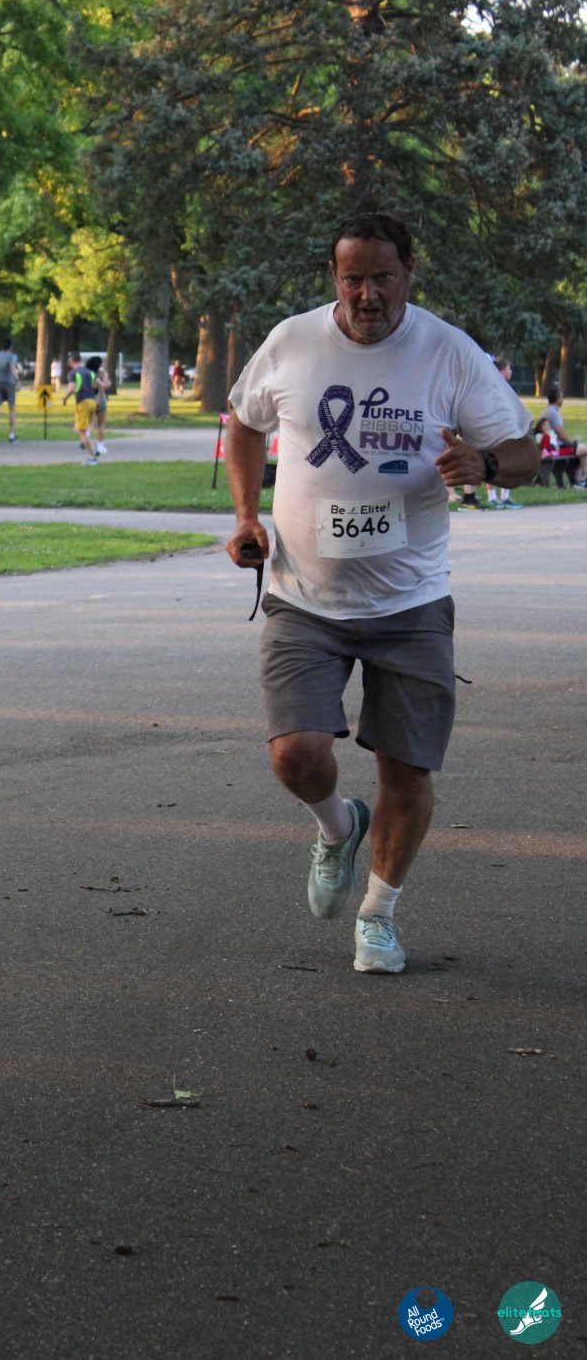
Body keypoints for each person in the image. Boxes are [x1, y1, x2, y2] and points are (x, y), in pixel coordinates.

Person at [226, 211, 539, 974]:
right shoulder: (293, 342)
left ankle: (378, 915)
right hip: (303, 596)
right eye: (353, 279)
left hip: (411, 603)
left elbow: (524, 451)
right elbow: (245, 423)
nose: (368, 295)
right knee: (296, 755)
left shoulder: (448, 352)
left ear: (409, 275)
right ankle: (338, 826)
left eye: (383, 278)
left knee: (407, 769)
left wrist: (485, 466)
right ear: (335, 278)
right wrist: (245, 517)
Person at [484, 358, 524, 507]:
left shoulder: (506, 388)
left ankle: (505, 496)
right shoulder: (491, 386)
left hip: (507, 428)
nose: (510, 371)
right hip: (494, 428)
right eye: (508, 368)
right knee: (492, 460)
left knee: (508, 461)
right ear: (501, 371)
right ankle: (492, 497)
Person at [540, 384, 587, 487]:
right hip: (557, 447)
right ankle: (580, 480)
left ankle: (580, 479)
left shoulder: (547, 411)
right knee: (585, 449)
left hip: (553, 445)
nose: (563, 399)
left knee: (583, 452)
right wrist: (572, 443)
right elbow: (561, 435)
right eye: (562, 397)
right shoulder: (553, 413)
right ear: (558, 399)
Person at [61, 351, 99, 463]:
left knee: (81, 431)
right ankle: (90, 446)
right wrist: (99, 399)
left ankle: (92, 457)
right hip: (92, 401)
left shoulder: (72, 373)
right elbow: (99, 385)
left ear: (71, 361)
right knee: (77, 428)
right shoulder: (90, 372)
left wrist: (64, 398)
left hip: (82, 402)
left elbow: (71, 389)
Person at [0, 338, 20, 444]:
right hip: (8, 383)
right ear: (11, 346)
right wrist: (17, 381)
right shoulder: (12, 356)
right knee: (12, 408)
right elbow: (12, 368)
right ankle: (11, 435)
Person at [87, 355, 110, 454]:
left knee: (91, 420)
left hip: (88, 397)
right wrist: (108, 381)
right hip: (99, 396)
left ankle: (87, 435)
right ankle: (100, 445)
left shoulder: (87, 372)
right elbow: (104, 385)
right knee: (101, 424)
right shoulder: (102, 373)